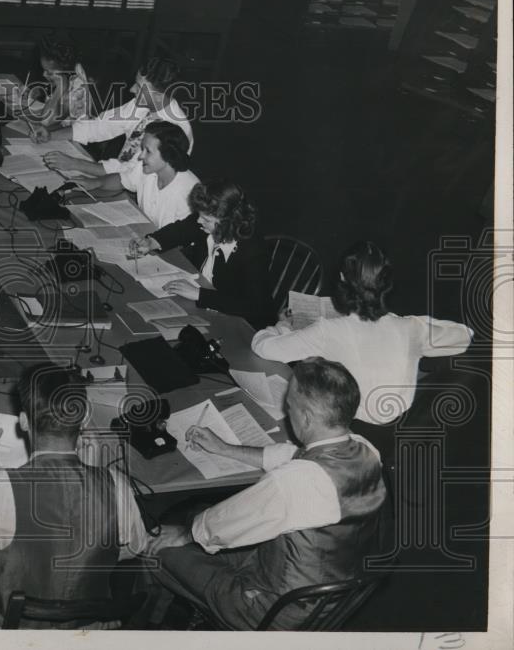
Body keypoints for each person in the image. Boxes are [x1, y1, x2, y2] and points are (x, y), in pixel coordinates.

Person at [146, 358, 387, 630]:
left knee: (160, 549)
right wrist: (225, 448)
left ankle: (162, 625)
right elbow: (293, 456)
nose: (287, 411)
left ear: (306, 417)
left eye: (290, 405)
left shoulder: (296, 481)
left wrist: (185, 534)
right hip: (333, 591)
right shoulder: (367, 450)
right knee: (197, 515)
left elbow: (228, 523)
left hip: (277, 610)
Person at [0, 364, 150, 629]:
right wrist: (94, 474)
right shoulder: (117, 484)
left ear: (23, 421)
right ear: (85, 416)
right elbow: (134, 548)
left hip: (7, 631)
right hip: (88, 629)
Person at [250, 241, 473, 453]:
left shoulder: (328, 331)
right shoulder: (411, 328)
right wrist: (409, 322)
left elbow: (264, 347)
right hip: (400, 435)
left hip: (347, 435)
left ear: (341, 279)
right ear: (386, 284)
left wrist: (282, 326)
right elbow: (465, 336)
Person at [133, 180, 276, 329]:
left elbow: (255, 306)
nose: (199, 220)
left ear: (228, 222)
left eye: (206, 219)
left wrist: (200, 295)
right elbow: (181, 230)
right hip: (208, 305)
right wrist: (152, 242)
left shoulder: (254, 252)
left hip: (244, 325)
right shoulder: (209, 224)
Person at [33, 56, 194, 175]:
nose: (132, 90)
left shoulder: (175, 128)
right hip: (117, 178)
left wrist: (75, 164)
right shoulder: (141, 105)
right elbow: (100, 126)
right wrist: (51, 136)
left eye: (139, 86)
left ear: (159, 94)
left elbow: (132, 173)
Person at [65, 120, 198, 229]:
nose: (141, 156)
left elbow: (183, 240)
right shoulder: (147, 168)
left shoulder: (189, 193)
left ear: (168, 155)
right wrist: (95, 182)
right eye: (142, 149)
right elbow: (123, 179)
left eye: (148, 151)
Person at [22, 35, 92, 129]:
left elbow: (45, 122)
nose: (44, 74)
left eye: (49, 72)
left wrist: (60, 87)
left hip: (73, 140)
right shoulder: (71, 72)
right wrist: (38, 92)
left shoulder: (77, 91)